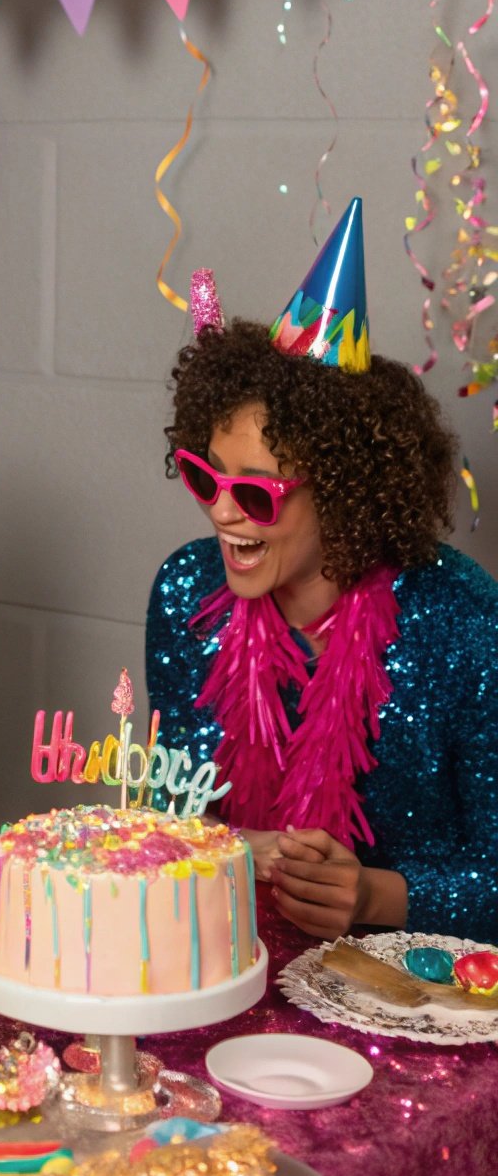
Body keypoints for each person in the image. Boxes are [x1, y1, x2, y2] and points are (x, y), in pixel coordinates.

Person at [145, 199, 498, 944]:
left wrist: (372, 895)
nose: (222, 512)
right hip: (227, 959)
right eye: (206, 477)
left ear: (344, 490)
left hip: (407, 990)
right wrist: (229, 849)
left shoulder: (463, 621)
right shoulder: (185, 595)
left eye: (256, 492)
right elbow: (170, 815)